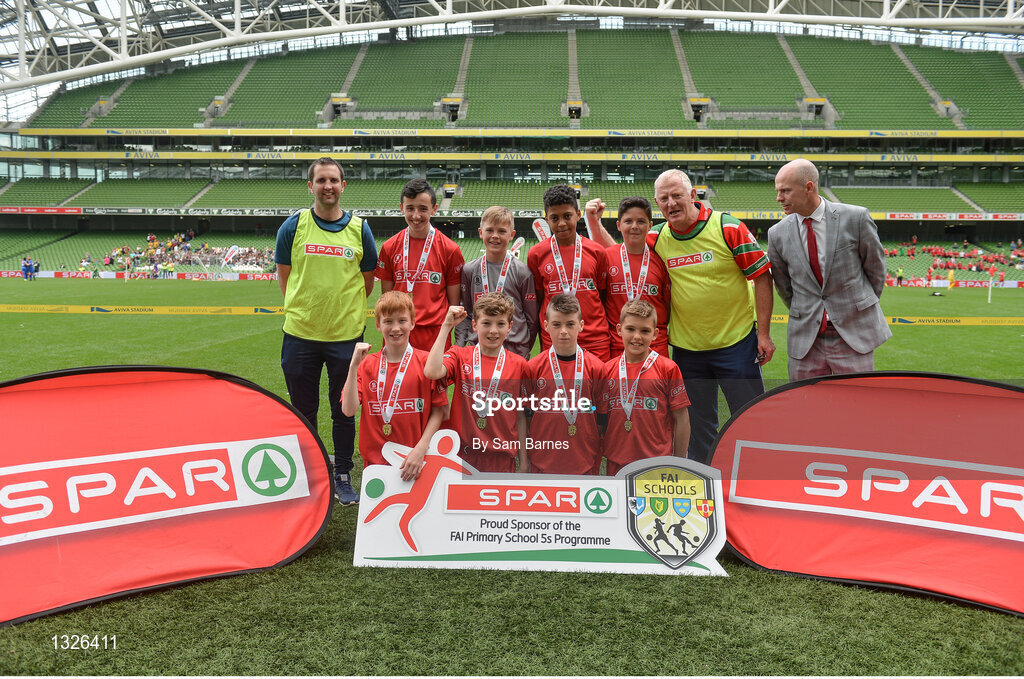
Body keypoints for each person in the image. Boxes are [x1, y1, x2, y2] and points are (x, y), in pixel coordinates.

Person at [649, 169, 774, 464]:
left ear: (693, 195)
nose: (671, 203)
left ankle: (756, 473)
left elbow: (762, 277)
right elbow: (618, 252)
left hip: (737, 344)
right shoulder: (656, 237)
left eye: (677, 195)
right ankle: (704, 478)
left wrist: (764, 334)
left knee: (749, 415)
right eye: (663, 199)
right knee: (698, 425)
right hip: (688, 350)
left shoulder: (727, 227)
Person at [275, 156, 378, 506]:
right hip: (300, 335)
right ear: (310, 186)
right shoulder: (293, 226)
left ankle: (343, 473)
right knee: (303, 409)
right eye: (321, 180)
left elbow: (366, 282)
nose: (328, 186)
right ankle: (311, 472)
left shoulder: (360, 229)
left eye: (334, 180)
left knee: (344, 410)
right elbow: (285, 278)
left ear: (343, 185)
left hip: (345, 338)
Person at [767, 158, 890, 381]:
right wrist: (808, 310)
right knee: (807, 407)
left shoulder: (856, 218)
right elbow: (784, 286)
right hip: (806, 339)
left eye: (785, 191)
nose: (779, 198)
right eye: (778, 191)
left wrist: (857, 307)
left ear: (809, 187)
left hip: (853, 335)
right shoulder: (777, 234)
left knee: (858, 405)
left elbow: (876, 269)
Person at [341, 291, 448, 483]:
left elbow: (440, 411)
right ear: (378, 325)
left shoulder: (426, 363)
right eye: (388, 321)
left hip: (415, 460)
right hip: (374, 462)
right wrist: (353, 366)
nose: (396, 328)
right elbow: (348, 410)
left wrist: (421, 449)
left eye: (402, 321)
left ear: (413, 323)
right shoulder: (366, 365)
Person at [426, 294, 530, 473]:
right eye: (486, 323)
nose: (493, 331)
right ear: (474, 325)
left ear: (510, 327)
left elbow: (520, 416)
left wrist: (524, 461)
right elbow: (432, 371)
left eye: (500, 324)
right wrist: (446, 326)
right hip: (462, 457)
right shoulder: (460, 356)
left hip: (501, 459)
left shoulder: (519, 365)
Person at [598, 300, 690, 476]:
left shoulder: (668, 369)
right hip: (616, 464)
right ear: (619, 330)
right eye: (630, 329)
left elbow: (682, 418)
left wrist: (679, 463)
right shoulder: (607, 370)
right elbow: (599, 422)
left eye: (645, 331)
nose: (637, 337)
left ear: (655, 334)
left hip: (657, 464)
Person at [376, 178, 465, 351]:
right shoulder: (389, 247)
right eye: (410, 208)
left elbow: (453, 304)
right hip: (398, 332)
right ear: (401, 208)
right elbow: (387, 298)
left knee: (434, 378)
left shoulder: (450, 249)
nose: (416, 216)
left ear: (434, 209)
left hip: (435, 334)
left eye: (423, 209)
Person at [527, 185, 613, 361]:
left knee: (597, 388)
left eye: (567, 216)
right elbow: (541, 297)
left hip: (594, 340)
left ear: (578, 214)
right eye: (554, 218)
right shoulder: (536, 254)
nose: (561, 223)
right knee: (557, 388)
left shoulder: (597, 251)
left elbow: (603, 295)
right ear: (546, 219)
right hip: (555, 339)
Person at [525, 294, 605, 474]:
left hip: (585, 461)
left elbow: (601, 416)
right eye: (556, 324)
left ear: (581, 326)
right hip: (542, 461)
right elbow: (527, 414)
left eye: (570, 324)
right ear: (545, 326)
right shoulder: (533, 368)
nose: (563, 331)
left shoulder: (597, 368)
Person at [591, 196, 671, 359]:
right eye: (628, 221)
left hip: (655, 346)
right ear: (619, 225)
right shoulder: (606, 257)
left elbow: (667, 305)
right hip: (618, 346)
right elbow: (600, 299)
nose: (634, 226)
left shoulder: (661, 259)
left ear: (649, 226)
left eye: (641, 221)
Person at [455, 206, 539, 359]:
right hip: (478, 352)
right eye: (489, 230)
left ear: (511, 235)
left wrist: (524, 348)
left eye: (501, 231)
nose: (495, 236)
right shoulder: (469, 270)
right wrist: (459, 347)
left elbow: (531, 319)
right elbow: (466, 313)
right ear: (481, 232)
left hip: (514, 352)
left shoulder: (523, 272)